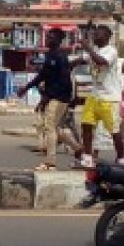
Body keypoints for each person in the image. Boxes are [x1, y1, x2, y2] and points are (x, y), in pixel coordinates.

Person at [18, 28, 78, 170]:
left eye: (51, 37)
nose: (48, 39)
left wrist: (49, 96)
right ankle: (77, 148)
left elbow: (64, 81)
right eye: (47, 36)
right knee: (53, 128)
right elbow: (42, 76)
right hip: (54, 96)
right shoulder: (49, 55)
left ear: (58, 40)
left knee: (49, 127)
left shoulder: (60, 57)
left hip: (60, 97)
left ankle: (50, 162)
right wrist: (26, 87)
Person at [75, 25, 124, 168]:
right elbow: (79, 60)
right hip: (94, 96)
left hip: (109, 98)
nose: (95, 36)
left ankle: (121, 158)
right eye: (94, 34)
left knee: (114, 130)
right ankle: (87, 157)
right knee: (86, 125)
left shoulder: (111, 51)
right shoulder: (95, 51)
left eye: (98, 34)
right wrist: (68, 64)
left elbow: (101, 61)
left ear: (107, 37)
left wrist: (88, 48)